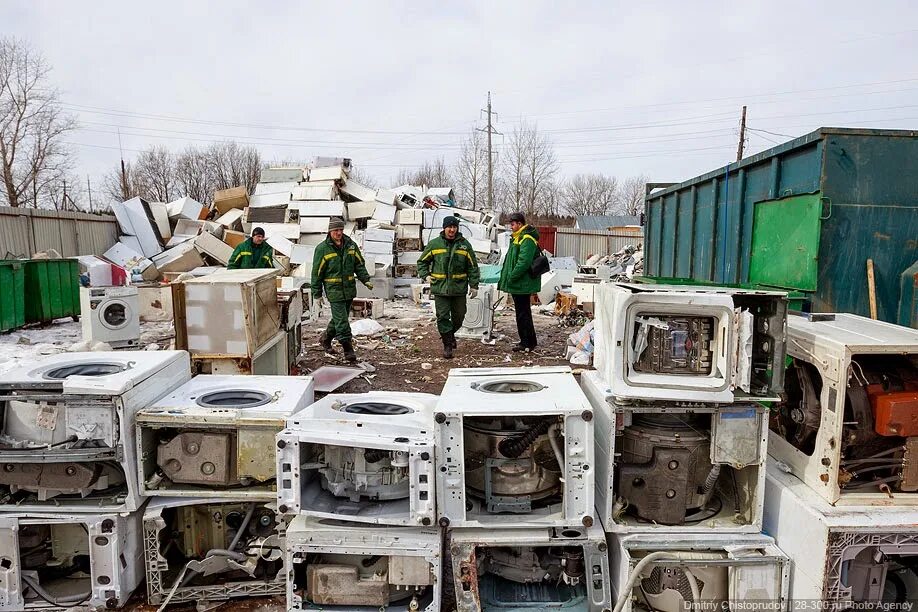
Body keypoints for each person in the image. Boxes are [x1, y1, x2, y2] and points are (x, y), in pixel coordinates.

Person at [417, 215, 480, 359]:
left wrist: (474, 285)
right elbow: (422, 262)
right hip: (440, 289)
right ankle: (447, 345)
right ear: (444, 228)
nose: (452, 230)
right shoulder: (434, 244)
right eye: (449, 227)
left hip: (459, 289)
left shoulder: (464, 245)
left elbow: (472, 267)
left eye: (454, 227)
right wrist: (425, 275)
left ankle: (450, 335)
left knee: (459, 316)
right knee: (443, 317)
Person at [311, 217, 373, 363]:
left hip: (349, 290)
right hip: (334, 291)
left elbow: (359, 264)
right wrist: (317, 293)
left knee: (340, 318)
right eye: (336, 230)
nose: (339, 233)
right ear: (330, 231)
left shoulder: (351, 245)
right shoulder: (322, 249)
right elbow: (316, 272)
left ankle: (325, 339)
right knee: (342, 322)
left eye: (340, 230)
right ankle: (348, 350)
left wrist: (366, 279)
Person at [498, 212, 540, 352]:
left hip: (522, 282)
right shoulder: (518, 238)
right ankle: (528, 341)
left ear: (520, 224)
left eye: (513, 224)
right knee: (523, 313)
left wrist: (511, 277)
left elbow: (523, 262)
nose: (511, 226)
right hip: (520, 282)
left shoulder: (526, 239)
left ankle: (526, 343)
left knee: (523, 313)